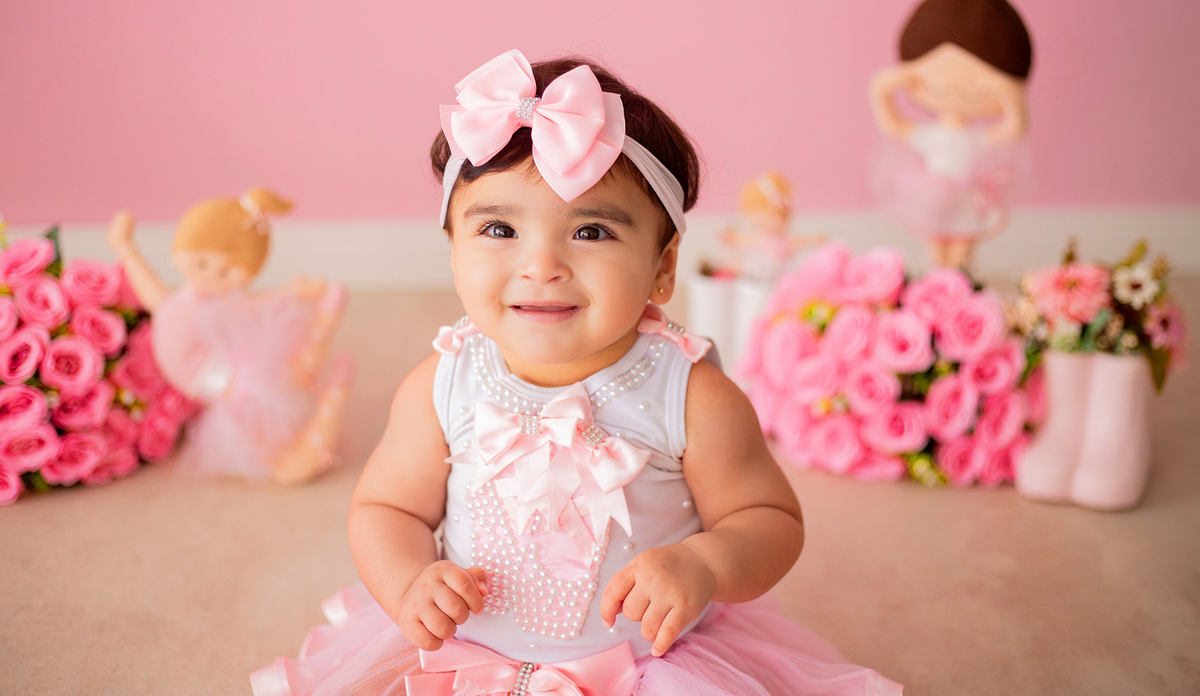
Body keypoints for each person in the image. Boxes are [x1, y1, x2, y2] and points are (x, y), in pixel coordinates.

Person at [251, 51, 901, 695]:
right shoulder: (441, 383)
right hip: (467, 657)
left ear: (663, 266)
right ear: (453, 252)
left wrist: (705, 562)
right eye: (499, 228)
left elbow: (768, 518)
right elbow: (386, 507)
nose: (541, 264)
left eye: (590, 233)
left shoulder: (691, 395)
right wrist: (408, 583)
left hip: (647, 666)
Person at [108, 189, 353, 485]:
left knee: (265, 400)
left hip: (224, 378)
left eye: (225, 272)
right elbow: (146, 283)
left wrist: (293, 291)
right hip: (215, 374)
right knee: (279, 379)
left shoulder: (212, 306)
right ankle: (320, 343)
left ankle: (323, 361)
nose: (210, 276)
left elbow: (252, 306)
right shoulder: (173, 304)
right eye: (201, 264)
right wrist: (125, 246)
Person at [870, 0, 1034, 270]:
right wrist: (881, 90)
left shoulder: (976, 137)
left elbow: (1014, 128)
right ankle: (937, 284)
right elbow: (893, 126)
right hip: (933, 197)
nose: (956, 92)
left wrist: (1008, 96)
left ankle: (957, 283)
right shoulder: (932, 136)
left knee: (962, 249)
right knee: (935, 247)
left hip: (967, 197)